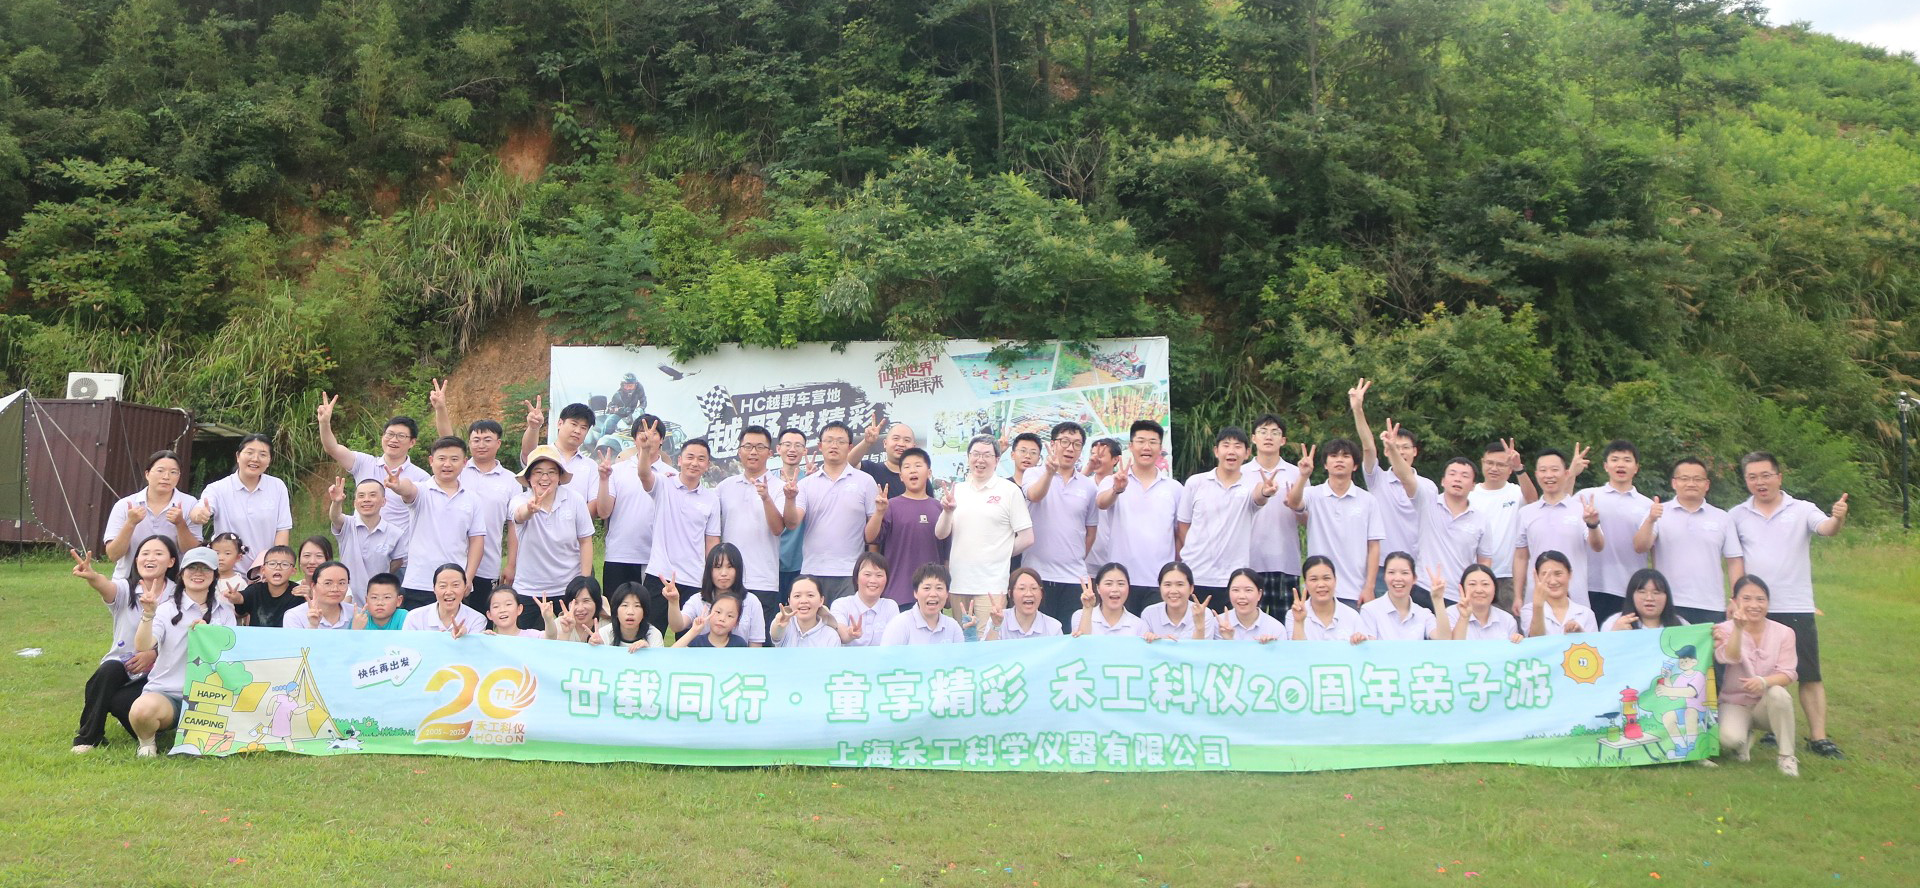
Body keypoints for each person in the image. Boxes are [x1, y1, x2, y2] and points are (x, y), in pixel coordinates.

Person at [1728, 451, 1848, 758]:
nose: (1759, 482)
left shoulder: (1802, 509)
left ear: (1779, 477)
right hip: (1754, 608)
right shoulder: (1737, 515)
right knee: (1760, 669)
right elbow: (1736, 561)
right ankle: (1770, 727)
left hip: (1796, 605)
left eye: (1765, 475)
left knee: (1808, 672)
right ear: (1746, 480)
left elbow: (1826, 529)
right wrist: (1737, 600)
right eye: (1752, 477)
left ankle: (1818, 737)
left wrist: (1838, 517)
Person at [127, 545, 237, 756]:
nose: (198, 573)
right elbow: (143, 645)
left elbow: (230, 656)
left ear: (214, 575)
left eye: (205, 569)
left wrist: (211, 635)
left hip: (211, 696)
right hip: (169, 693)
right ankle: (147, 743)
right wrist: (148, 615)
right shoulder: (166, 609)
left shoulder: (225, 612)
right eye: (192, 567)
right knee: (141, 710)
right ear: (182, 573)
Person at [1376, 420, 1494, 611]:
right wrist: (1393, 450)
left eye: (1464, 476)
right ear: (1443, 481)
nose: (1457, 479)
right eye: (1452, 474)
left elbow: (1484, 561)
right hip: (1423, 589)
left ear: (1473, 485)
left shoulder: (1480, 519)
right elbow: (1406, 477)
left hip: (1458, 595)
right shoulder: (1427, 503)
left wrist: (1477, 590)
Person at [67, 541, 168, 753]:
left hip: (159, 672)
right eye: (145, 553)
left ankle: (151, 728)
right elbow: (106, 586)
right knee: (108, 670)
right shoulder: (126, 589)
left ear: (171, 561)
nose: (150, 558)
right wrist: (92, 576)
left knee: (119, 701)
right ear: (136, 560)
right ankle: (89, 737)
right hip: (123, 665)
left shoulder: (178, 594)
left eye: (158, 553)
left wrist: (153, 653)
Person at [430, 382, 521, 603]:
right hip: (452, 560)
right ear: (468, 444)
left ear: (498, 443)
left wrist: (511, 564)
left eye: (487, 440)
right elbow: (446, 439)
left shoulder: (511, 480)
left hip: (488, 564)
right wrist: (440, 408)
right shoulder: (457, 470)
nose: (481, 445)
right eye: (476, 440)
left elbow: (513, 526)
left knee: (482, 616)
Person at [939, 434, 1034, 638]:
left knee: (987, 640)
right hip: (959, 582)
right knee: (961, 639)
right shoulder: (958, 490)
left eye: (986, 455)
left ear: (997, 460)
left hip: (991, 585)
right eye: (975, 454)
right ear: (968, 458)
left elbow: (1027, 537)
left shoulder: (1009, 491)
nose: (980, 460)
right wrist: (947, 511)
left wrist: (1000, 553)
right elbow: (940, 533)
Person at [1350, 379, 1437, 599]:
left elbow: (1408, 479)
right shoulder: (1377, 479)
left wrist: (1393, 449)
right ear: (1387, 451)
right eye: (1395, 448)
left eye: (1405, 448)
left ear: (1415, 451)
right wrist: (1358, 410)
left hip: (1419, 569)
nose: (1401, 452)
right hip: (1382, 568)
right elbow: (1368, 448)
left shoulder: (1427, 486)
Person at [1634, 457, 1745, 625]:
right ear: (1674, 483)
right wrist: (1650, 520)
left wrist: (1736, 599)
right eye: (1684, 478)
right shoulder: (1658, 513)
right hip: (1668, 602)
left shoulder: (1722, 518)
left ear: (1707, 484)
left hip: (1711, 604)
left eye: (1697, 479)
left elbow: (1734, 561)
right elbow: (1640, 547)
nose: (1691, 483)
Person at [1176, 427, 1277, 608]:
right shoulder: (1196, 482)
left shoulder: (1250, 485)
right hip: (1195, 574)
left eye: (1238, 446)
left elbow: (1259, 497)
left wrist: (1266, 491)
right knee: (1195, 625)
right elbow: (1183, 525)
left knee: (1229, 625)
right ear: (1216, 451)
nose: (1231, 451)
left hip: (1233, 579)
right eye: (1226, 445)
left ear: (1247, 453)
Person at [388, 436, 488, 612]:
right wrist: (398, 486)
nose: (447, 464)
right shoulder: (422, 491)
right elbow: (408, 489)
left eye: (454, 459)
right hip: (420, 582)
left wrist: (468, 577)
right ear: (431, 461)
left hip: (456, 584)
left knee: (455, 628)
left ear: (464, 462)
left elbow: (477, 540)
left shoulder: (472, 499)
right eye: (442, 458)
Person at [1714, 575, 1802, 776]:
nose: (1754, 605)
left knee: (1779, 694)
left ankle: (1787, 756)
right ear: (1734, 601)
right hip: (1734, 702)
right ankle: (1743, 739)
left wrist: (1763, 682)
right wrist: (1738, 629)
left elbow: (1788, 673)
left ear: (1768, 603)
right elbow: (1730, 657)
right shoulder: (1722, 629)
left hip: (1766, 703)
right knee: (1728, 739)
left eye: (1760, 599)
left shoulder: (1784, 632)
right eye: (1746, 599)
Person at [784, 421, 880, 601]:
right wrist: (790, 499)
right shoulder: (806, 484)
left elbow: (872, 536)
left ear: (850, 447)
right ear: (820, 446)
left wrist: (880, 513)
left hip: (850, 571)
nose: (834, 445)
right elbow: (791, 523)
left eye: (840, 441)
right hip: (813, 571)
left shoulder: (866, 481)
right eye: (829, 441)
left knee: (847, 620)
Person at [1096, 420, 1183, 613]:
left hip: (1160, 581)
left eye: (1153, 442)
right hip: (1120, 580)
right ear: (1131, 446)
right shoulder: (1113, 481)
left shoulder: (1174, 488)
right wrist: (1117, 490)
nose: (1146, 447)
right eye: (1141, 441)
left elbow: (1179, 533)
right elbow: (1101, 503)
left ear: (1160, 447)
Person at [1284, 439, 1384, 607]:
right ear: (1325, 464)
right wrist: (1303, 476)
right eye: (1333, 456)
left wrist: (1369, 587)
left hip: (1355, 591)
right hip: (1318, 590)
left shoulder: (1368, 500)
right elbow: (1294, 503)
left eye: (1345, 456)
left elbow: (1374, 546)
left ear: (1355, 465)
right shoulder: (1313, 494)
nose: (1339, 460)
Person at [637, 433, 723, 624]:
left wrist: (712, 577)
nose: (694, 463)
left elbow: (712, 542)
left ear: (707, 465)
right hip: (660, 574)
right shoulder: (663, 484)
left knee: (690, 636)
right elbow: (644, 475)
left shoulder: (711, 499)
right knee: (649, 633)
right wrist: (644, 450)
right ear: (680, 460)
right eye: (690, 457)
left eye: (701, 459)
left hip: (694, 579)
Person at [1020, 422, 1099, 627]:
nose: (1070, 448)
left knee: (1073, 634)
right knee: (1037, 634)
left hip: (1074, 577)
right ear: (1053, 444)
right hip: (1036, 574)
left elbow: (1091, 531)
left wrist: (1075, 555)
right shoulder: (1033, 473)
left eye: (1077, 444)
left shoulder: (1088, 486)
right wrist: (1049, 473)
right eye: (1065, 442)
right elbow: (1034, 496)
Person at [316, 394, 429, 534]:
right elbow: (332, 448)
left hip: (398, 545)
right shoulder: (364, 463)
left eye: (401, 436)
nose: (393, 440)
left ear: (412, 442)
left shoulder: (422, 477)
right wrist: (324, 424)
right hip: (360, 540)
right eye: (389, 434)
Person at [509, 445, 595, 628]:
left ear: (559, 476)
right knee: (528, 640)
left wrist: (584, 582)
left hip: (568, 587)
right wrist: (530, 509)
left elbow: (585, 541)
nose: (545, 478)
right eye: (538, 472)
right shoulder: (520, 500)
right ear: (529, 477)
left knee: (570, 639)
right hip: (529, 589)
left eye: (551, 472)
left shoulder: (575, 500)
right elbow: (519, 515)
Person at [1511, 445, 1601, 612]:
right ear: (1536, 474)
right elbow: (1521, 557)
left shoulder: (1581, 510)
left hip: (1575, 598)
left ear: (1566, 473)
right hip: (1536, 599)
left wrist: (1593, 524)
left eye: (1554, 470)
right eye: (1543, 470)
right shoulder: (1526, 513)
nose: (1549, 475)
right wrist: (1517, 596)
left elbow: (1597, 546)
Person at [189, 434, 292, 575]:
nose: (255, 459)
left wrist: (275, 567)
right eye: (249, 452)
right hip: (228, 573)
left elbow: (282, 530)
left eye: (262, 454)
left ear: (269, 460)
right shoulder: (218, 488)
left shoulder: (277, 487)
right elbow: (199, 509)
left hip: (264, 574)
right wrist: (199, 514)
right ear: (238, 456)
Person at [1576, 440, 1654, 622]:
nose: (1620, 464)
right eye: (1615, 459)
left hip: (1631, 587)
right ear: (1605, 466)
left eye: (1627, 460)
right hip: (1591, 585)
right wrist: (1572, 473)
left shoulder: (1647, 505)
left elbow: (1645, 546)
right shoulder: (1587, 496)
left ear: (1636, 468)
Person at [717, 425, 786, 619]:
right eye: (747, 446)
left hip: (763, 580)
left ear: (770, 453)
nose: (753, 452)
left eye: (760, 447)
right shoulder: (724, 487)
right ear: (739, 451)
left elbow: (778, 529)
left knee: (760, 637)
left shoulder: (779, 487)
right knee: (724, 634)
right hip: (728, 578)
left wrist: (766, 498)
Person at [100, 450, 199, 580]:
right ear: (147, 474)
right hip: (128, 580)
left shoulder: (190, 504)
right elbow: (113, 555)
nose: (166, 477)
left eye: (173, 472)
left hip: (173, 583)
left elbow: (192, 552)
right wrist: (130, 523)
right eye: (160, 470)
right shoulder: (125, 505)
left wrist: (180, 524)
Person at [1469, 439, 1539, 615]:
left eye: (1501, 465)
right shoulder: (1469, 494)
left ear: (1509, 469)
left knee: (1512, 625)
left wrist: (1519, 468)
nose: (1494, 468)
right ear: (1482, 463)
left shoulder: (1516, 492)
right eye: (1490, 463)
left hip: (1509, 576)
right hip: (1474, 575)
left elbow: (1533, 500)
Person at [869, 447, 944, 606]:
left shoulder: (940, 508)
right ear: (901, 476)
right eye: (907, 467)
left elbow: (946, 554)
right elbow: (870, 537)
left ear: (929, 473)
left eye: (918, 465)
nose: (913, 470)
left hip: (931, 594)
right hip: (897, 593)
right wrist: (879, 512)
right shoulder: (891, 506)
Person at [1247, 414, 1305, 617]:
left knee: (1287, 626)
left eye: (1275, 432)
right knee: (1248, 626)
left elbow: (1307, 520)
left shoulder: (1297, 473)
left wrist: (1295, 506)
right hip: (1249, 561)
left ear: (1283, 440)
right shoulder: (1241, 473)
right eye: (1263, 432)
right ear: (1253, 438)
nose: (1268, 437)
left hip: (1285, 562)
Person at [668, 544, 771, 646]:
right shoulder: (697, 600)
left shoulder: (752, 602)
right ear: (709, 570)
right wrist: (673, 602)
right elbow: (677, 626)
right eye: (717, 567)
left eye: (730, 567)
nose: (723, 573)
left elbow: (755, 646)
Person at [328, 477, 402, 607]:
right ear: (355, 503)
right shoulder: (347, 525)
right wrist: (336, 502)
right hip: (347, 602)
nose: (366, 499)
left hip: (378, 603)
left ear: (383, 501)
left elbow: (398, 561)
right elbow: (335, 517)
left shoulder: (395, 533)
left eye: (372, 495)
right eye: (361, 496)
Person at [519, 398, 600, 501]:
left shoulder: (591, 466)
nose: (577, 431)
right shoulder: (541, 453)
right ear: (560, 423)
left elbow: (594, 501)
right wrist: (533, 428)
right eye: (574, 424)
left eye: (583, 428)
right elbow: (528, 453)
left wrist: (579, 511)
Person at [878, 564, 965, 645]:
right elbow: (888, 656)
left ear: (947, 594)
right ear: (915, 593)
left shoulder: (953, 626)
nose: (933, 594)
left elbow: (960, 655)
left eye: (939, 588)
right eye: (927, 588)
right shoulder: (900, 624)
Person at [1286, 555, 1367, 642]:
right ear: (1305, 583)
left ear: (1335, 580)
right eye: (1314, 579)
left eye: (1326, 578)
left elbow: (1364, 648)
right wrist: (1299, 622)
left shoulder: (1352, 616)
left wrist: (1359, 640)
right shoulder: (1293, 615)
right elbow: (1296, 650)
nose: (1321, 585)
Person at [1361, 552, 1439, 641]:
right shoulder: (1369, 610)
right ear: (1384, 577)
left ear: (1414, 578)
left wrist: (1438, 599)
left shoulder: (1423, 614)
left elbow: (1443, 639)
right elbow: (1370, 646)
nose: (1398, 578)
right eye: (1391, 572)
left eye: (1404, 573)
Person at [829, 552, 900, 647]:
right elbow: (841, 633)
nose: (873, 581)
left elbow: (895, 641)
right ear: (856, 578)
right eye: (867, 574)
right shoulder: (841, 604)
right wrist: (850, 634)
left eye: (879, 575)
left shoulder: (891, 606)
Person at [1443, 564, 1524, 642]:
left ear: (1495, 588)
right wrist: (1463, 618)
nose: (1479, 590)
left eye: (1485, 584)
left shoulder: (1507, 619)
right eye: (1472, 584)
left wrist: (1517, 640)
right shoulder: (1450, 614)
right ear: (1462, 588)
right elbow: (1453, 648)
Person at [1526, 551, 1598, 636]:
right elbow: (1535, 640)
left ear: (1570, 574)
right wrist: (1538, 607)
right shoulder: (1528, 610)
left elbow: (1593, 643)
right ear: (1537, 577)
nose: (1553, 581)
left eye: (1558, 574)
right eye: (1545, 574)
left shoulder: (1586, 614)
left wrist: (1580, 634)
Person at [774, 427, 810, 598]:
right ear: (778, 448)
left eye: (798, 446)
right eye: (787, 445)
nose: (792, 450)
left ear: (805, 451)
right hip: (769, 561)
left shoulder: (810, 481)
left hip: (800, 562)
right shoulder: (767, 480)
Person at [401, 564, 488, 634]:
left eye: (455, 585)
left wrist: (465, 638)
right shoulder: (414, 617)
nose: (449, 592)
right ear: (434, 589)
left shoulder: (477, 620)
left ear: (465, 588)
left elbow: (474, 650)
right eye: (443, 586)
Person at [1140, 562, 1214, 641]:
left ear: (1191, 588)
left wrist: (1199, 627)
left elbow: (1202, 648)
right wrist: (1154, 640)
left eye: (1180, 584)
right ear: (1159, 587)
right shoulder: (1149, 614)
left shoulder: (1204, 614)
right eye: (1167, 585)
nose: (1173, 591)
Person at [1083, 438, 1123, 577]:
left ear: (1115, 459)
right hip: (1086, 560)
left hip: (1115, 560)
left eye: (1101, 455)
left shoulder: (1123, 486)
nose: (1096, 459)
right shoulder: (1084, 484)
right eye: (1093, 454)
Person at [988, 567, 1063, 641]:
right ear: (1010, 594)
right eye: (1022, 588)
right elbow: (988, 648)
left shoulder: (1053, 627)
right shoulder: (998, 619)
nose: (1029, 594)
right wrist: (996, 625)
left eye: (1034, 588)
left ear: (1041, 594)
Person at [235, 545, 301, 629]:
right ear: (263, 570)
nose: (278, 568)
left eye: (285, 564)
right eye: (272, 564)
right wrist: (237, 599)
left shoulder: (297, 593)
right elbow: (241, 605)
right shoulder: (255, 590)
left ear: (293, 571)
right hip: (257, 636)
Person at [1073, 562, 1145, 638]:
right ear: (1098, 588)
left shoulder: (1139, 625)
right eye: (1108, 584)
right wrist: (1088, 609)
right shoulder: (1080, 616)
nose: (1115, 589)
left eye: (1121, 584)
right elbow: (1081, 643)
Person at [771, 577, 846, 647]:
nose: (803, 601)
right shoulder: (785, 625)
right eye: (797, 596)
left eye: (810, 595)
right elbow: (776, 636)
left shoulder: (831, 635)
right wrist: (779, 627)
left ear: (821, 600)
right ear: (789, 601)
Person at [851, 418, 916, 497]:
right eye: (896, 438)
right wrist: (866, 442)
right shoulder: (872, 469)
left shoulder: (918, 477)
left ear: (914, 447)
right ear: (885, 443)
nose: (901, 444)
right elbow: (848, 464)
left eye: (907, 440)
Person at [1216, 568, 1285, 642]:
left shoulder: (1276, 628)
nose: (1242, 596)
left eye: (1248, 590)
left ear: (1259, 594)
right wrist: (1228, 640)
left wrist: (1270, 647)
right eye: (1235, 590)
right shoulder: (1217, 624)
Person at [282, 561, 357, 629]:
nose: (335, 589)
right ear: (313, 586)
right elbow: (297, 641)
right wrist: (313, 626)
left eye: (341, 583)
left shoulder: (357, 614)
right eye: (328, 583)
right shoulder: (295, 616)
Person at [1605, 569, 1686, 630]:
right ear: (1631, 595)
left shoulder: (1681, 625)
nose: (1649, 598)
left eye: (1656, 592)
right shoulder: (1615, 622)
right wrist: (1614, 634)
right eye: (1642, 592)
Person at [539, 576, 606, 644]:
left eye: (586, 601)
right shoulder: (560, 624)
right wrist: (565, 634)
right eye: (575, 602)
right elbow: (551, 647)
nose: (580, 609)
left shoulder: (607, 627)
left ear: (597, 602)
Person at [599, 583, 664, 648]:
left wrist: (648, 650)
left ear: (644, 612)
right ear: (616, 611)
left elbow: (657, 654)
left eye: (637, 606)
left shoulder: (653, 635)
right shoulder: (604, 634)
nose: (630, 612)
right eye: (625, 605)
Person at [673, 593, 749, 648]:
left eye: (730, 616)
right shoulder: (697, 642)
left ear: (736, 622)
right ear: (709, 613)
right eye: (718, 612)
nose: (722, 619)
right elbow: (672, 655)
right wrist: (694, 631)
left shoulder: (739, 644)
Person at [479, 586, 545, 638]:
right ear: (489, 614)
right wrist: (483, 640)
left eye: (508, 604)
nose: (502, 610)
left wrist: (548, 619)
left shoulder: (532, 636)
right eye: (496, 606)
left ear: (519, 609)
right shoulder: (488, 638)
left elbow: (549, 637)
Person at [208, 533, 248, 604]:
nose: (220, 558)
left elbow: (245, 606)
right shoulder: (206, 578)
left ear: (238, 557)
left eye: (227, 553)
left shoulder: (240, 583)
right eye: (217, 553)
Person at [291, 535, 334, 599]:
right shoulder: (293, 589)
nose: (312, 561)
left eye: (319, 556)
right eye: (307, 555)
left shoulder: (338, 589)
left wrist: (312, 596)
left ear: (329, 560)